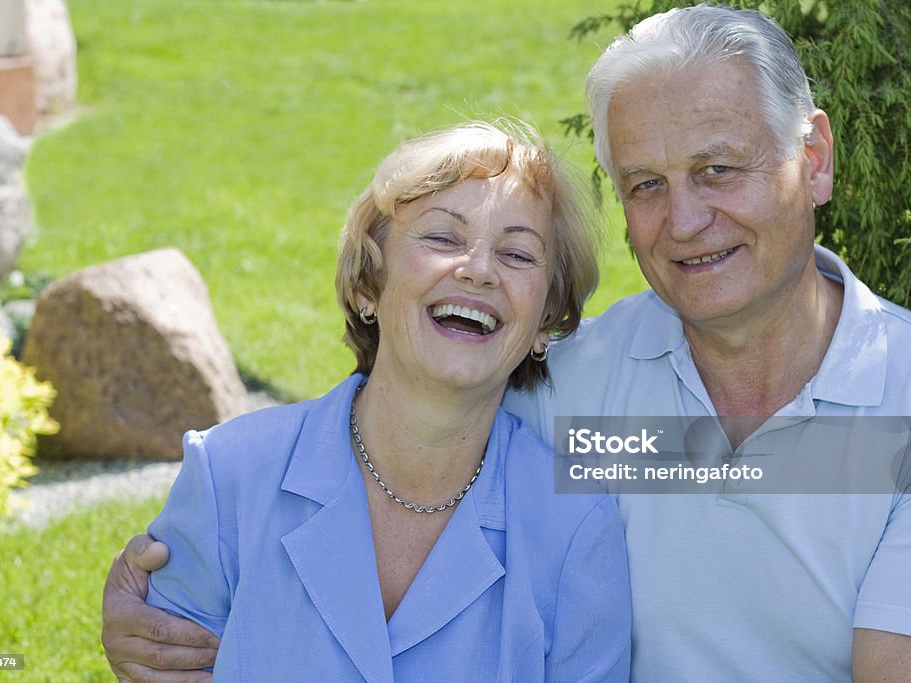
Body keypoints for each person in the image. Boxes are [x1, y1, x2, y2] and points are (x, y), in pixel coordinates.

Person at [103, 4, 911, 681]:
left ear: (811, 158)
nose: (687, 219)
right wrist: (166, 597)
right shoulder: (579, 387)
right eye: (646, 185)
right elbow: (403, 406)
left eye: (718, 169)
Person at [104, 121, 631, 681]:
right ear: (366, 284)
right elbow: (158, 664)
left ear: (547, 318)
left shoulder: (576, 526)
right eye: (443, 239)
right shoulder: (228, 476)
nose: (479, 270)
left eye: (519, 254)